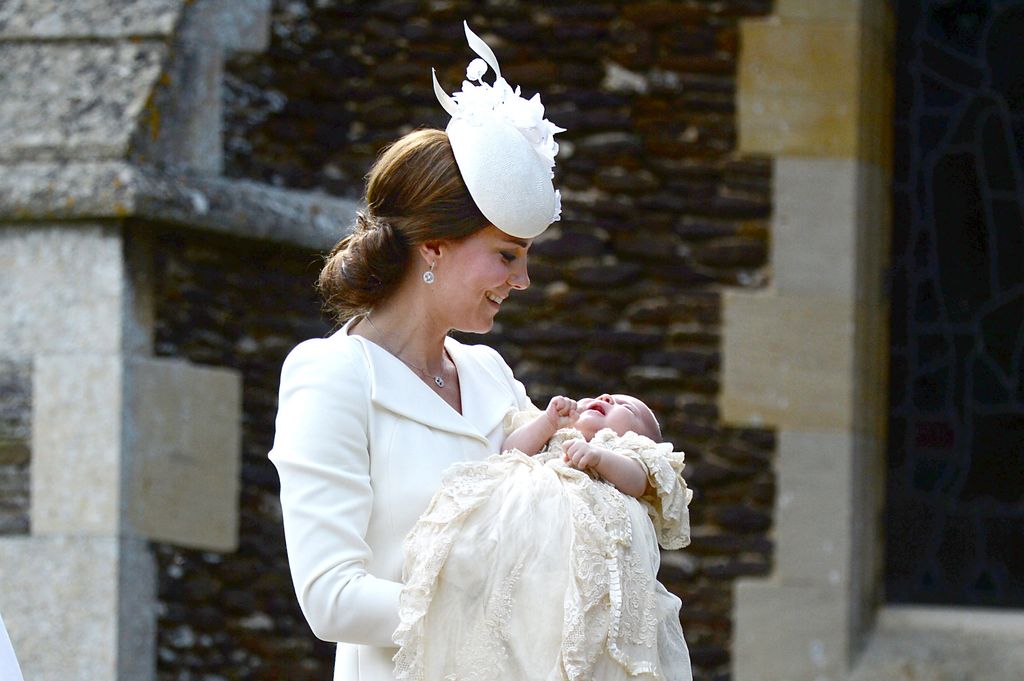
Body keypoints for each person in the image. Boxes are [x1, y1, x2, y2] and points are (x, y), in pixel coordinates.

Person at [269, 23, 563, 681]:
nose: (521, 281)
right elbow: (331, 597)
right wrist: (486, 611)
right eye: (507, 256)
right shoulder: (331, 375)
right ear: (433, 246)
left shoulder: (491, 375)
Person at [394, 394, 693, 681]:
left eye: (628, 407)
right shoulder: (557, 435)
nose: (606, 398)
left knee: (572, 627)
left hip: (578, 555)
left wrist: (600, 458)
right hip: (522, 538)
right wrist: (547, 422)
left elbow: (638, 481)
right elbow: (509, 450)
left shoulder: (626, 451)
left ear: (640, 437)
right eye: (601, 396)